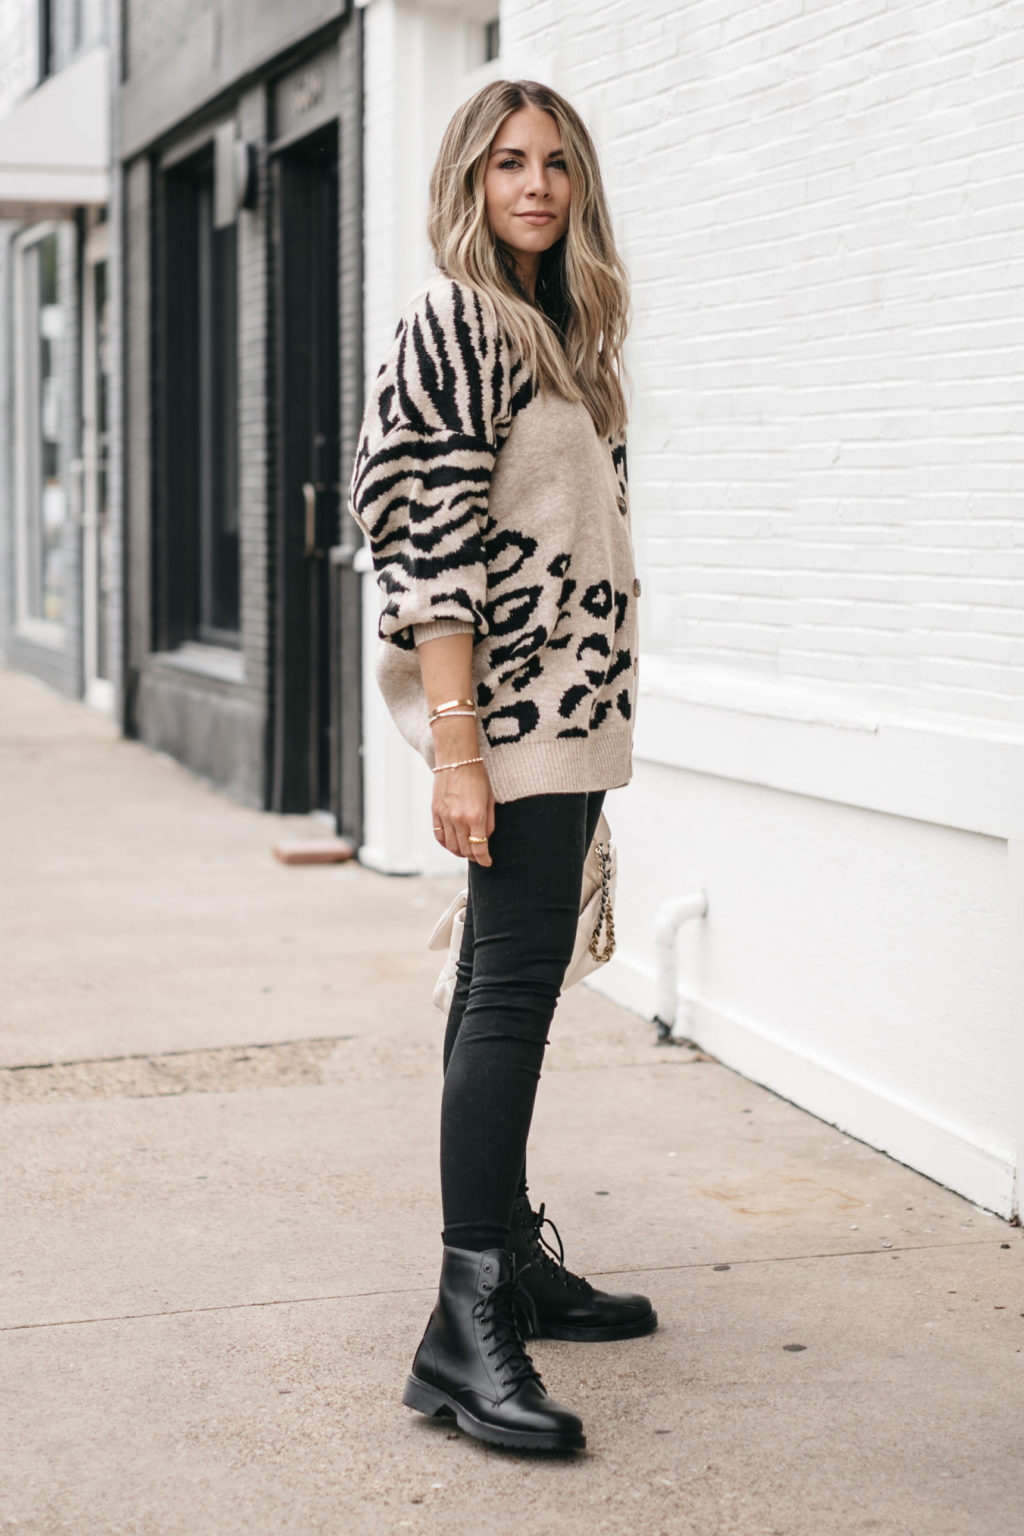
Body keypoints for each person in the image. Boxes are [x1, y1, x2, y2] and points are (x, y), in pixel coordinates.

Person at [348, 78, 655, 1454]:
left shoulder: (568, 338)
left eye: (557, 165)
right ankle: (464, 1324)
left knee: (506, 985)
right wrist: (458, 749)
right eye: (506, 163)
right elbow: (424, 539)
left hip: (571, 717)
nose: (534, 185)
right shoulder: (458, 322)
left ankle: (509, 1267)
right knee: (507, 999)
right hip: (511, 726)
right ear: (467, 182)